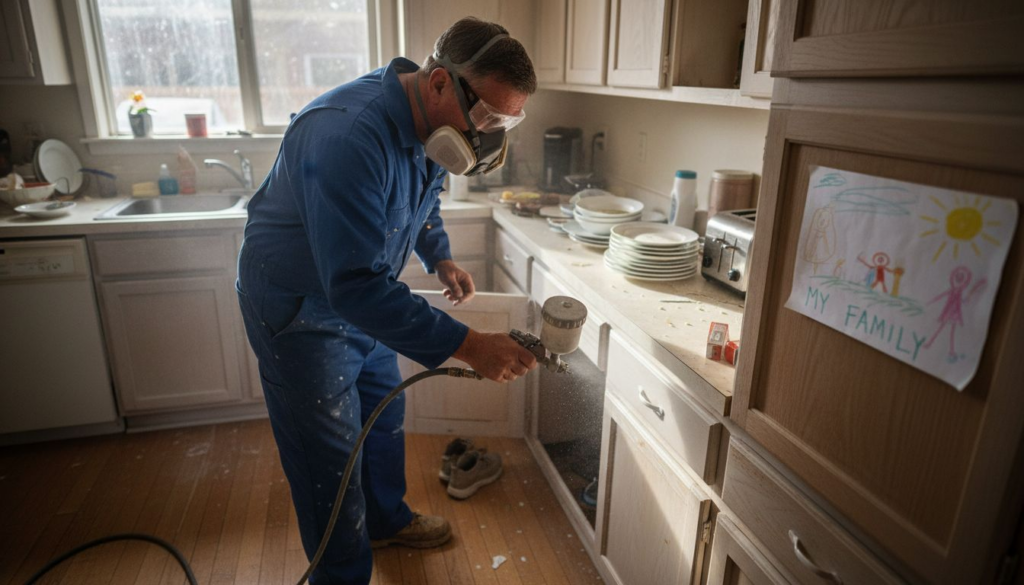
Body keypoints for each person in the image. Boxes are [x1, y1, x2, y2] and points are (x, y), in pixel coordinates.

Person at [235, 18, 539, 584]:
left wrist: (439, 255)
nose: (489, 137)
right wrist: (471, 346)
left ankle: (385, 520)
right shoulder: (347, 138)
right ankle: (342, 575)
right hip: (301, 310)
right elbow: (353, 287)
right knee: (329, 454)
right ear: (442, 83)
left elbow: (423, 198)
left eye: (506, 122)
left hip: (363, 299)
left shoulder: (429, 124)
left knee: (382, 413)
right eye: (487, 118)